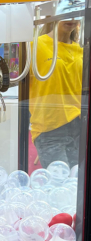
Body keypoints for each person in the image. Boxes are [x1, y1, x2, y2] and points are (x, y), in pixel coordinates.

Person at [30, 19, 83, 169]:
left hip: (78, 126)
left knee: (76, 179)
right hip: (49, 127)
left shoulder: (80, 50)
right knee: (59, 180)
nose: (71, 19)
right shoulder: (36, 46)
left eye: (74, 14)